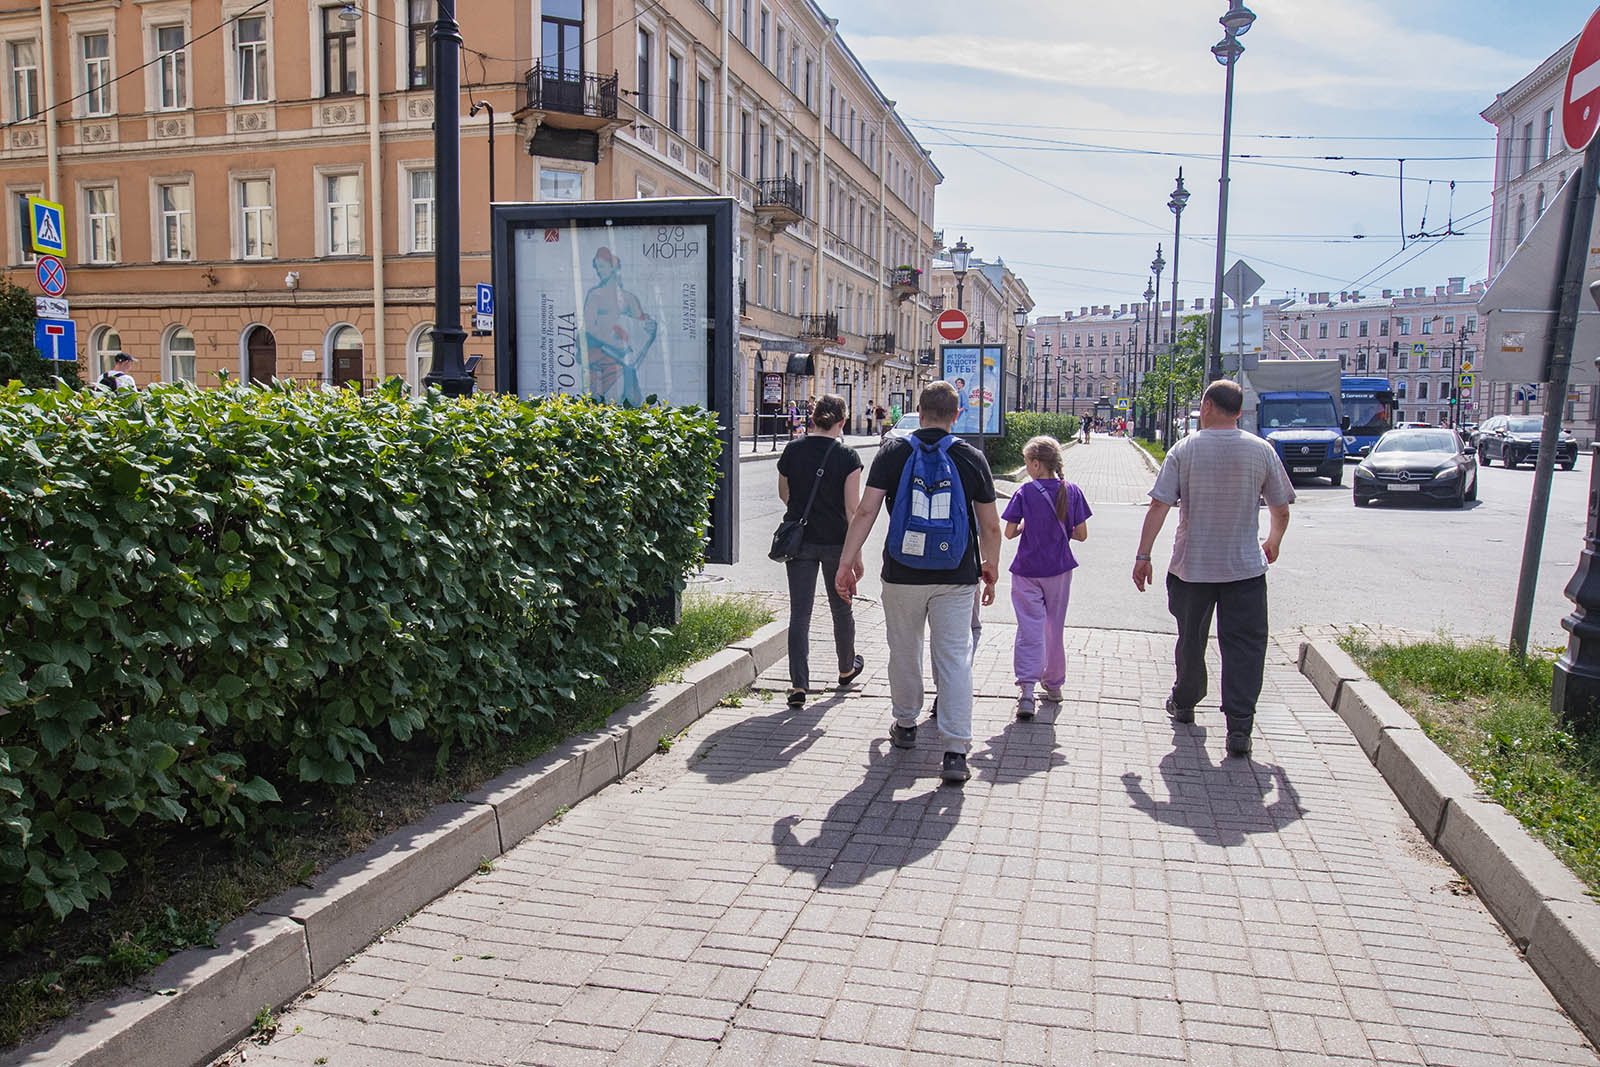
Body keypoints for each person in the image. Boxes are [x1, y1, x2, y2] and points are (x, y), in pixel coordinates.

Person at [837, 381, 1002, 785]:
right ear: (956, 414)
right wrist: (991, 567)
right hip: (957, 576)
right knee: (954, 658)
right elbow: (991, 526)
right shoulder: (971, 457)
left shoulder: (893, 451)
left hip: (902, 573)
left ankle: (906, 725)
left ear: (919, 410)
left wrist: (846, 563)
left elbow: (865, 512)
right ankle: (955, 750)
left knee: (904, 650)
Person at [1132, 379, 1294, 758]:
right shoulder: (1261, 451)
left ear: (1205, 405)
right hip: (1245, 569)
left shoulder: (1184, 450)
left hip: (1192, 568)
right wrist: (1273, 541)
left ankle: (1185, 702)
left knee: (1191, 638)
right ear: (1239, 412)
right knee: (1245, 646)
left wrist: (1143, 555)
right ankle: (1239, 727)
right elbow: (1281, 507)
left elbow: (1159, 506)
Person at [778, 395, 865, 708]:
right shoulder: (847, 456)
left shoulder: (792, 449)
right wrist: (856, 555)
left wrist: (802, 511)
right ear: (841, 422)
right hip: (836, 543)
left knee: (800, 613)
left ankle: (799, 685)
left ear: (812, 418)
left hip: (799, 542)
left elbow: (784, 493)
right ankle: (845, 668)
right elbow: (852, 509)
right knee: (841, 606)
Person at [1004, 436, 1091, 721]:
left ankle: (1027, 692)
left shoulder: (1025, 492)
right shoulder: (1072, 491)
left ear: (1037, 464)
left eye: (1027, 461)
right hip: (1059, 569)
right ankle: (1054, 686)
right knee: (1054, 627)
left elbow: (1009, 532)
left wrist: (1028, 525)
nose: (1026, 466)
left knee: (1029, 628)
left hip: (1027, 570)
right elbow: (1081, 534)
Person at [581, 247, 657, 405]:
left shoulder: (629, 298)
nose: (599, 271)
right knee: (601, 405)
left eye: (602, 266)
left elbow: (640, 324)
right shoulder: (594, 296)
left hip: (625, 360)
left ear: (613, 266)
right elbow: (589, 328)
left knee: (629, 404)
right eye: (597, 267)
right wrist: (612, 343)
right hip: (601, 357)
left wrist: (650, 327)